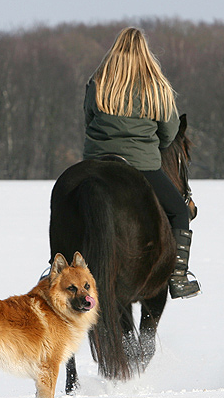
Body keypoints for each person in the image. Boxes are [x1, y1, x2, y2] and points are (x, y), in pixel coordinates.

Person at [83, 27, 201, 299]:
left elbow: (88, 121)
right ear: (145, 53)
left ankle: (57, 266)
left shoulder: (98, 83)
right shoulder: (157, 87)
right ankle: (178, 278)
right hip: (141, 165)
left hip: (97, 164)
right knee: (179, 213)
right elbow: (170, 134)